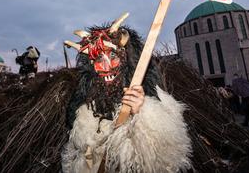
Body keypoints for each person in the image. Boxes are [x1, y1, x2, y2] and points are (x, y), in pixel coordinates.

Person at [62, 13, 192, 173]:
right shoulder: (84, 111)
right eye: (97, 60)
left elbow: (165, 158)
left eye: (113, 55)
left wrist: (142, 112)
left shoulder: (157, 102)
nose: (105, 66)